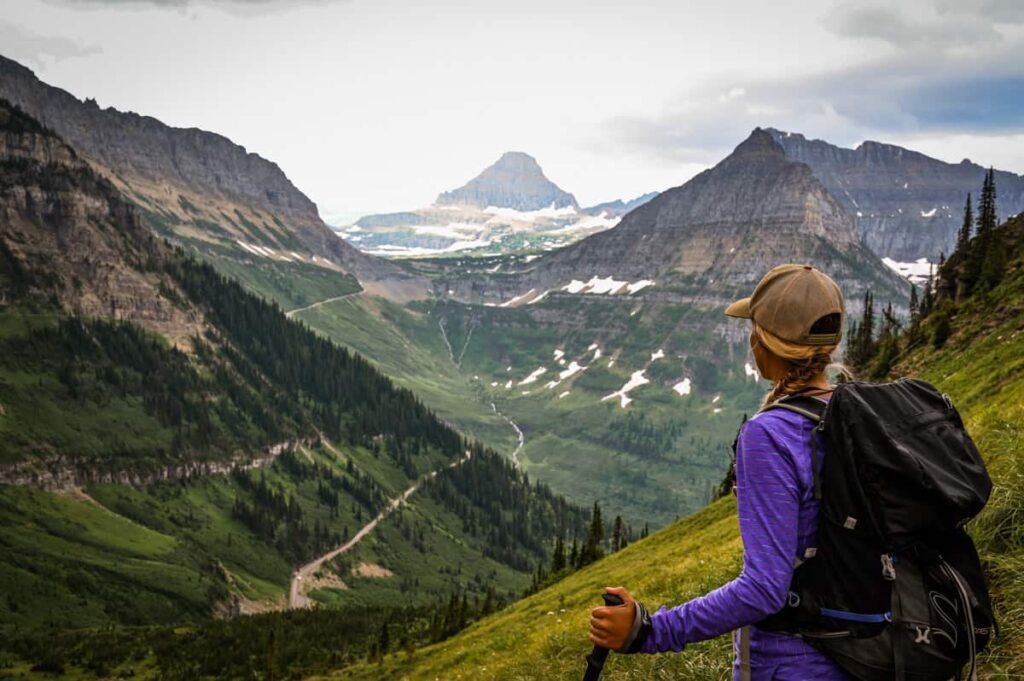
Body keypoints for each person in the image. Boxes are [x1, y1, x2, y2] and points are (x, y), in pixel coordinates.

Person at [588, 264, 854, 681]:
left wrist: (651, 630)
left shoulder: (770, 435)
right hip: (868, 654)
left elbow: (765, 589)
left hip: (792, 664)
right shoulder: (855, 413)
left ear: (760, 341)